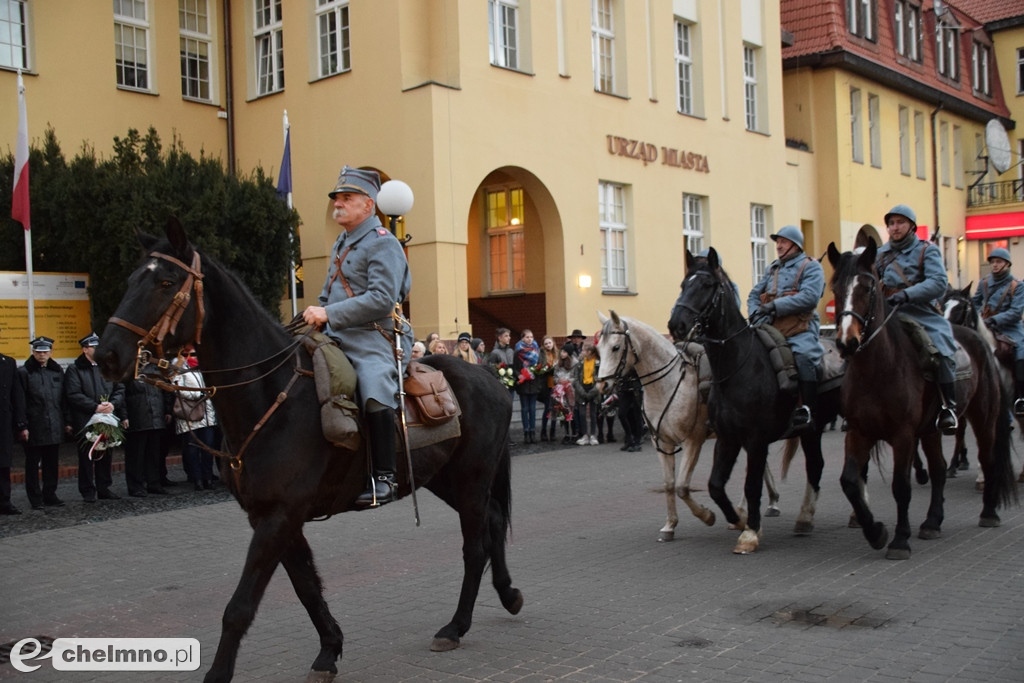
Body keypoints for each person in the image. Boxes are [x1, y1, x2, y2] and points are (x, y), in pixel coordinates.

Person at [302, 165, 413, 507]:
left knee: (373, 383)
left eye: (347, 198)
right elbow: (328, 294)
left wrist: (330, 314)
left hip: (374, 336)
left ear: (368, 205)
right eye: (337, 197)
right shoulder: (342, 242)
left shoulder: (383, 244)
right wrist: (317, 314)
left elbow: (382, 299)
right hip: (337, 331)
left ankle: (385, 477)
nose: (339, 203)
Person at [875, 204, 959, 433]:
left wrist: (907, 294)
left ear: (911, 226)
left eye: (900, 222)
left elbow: (938, 282)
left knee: (940, 351)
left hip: (922, 313)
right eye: (891, 223)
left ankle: (947, 407)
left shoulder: (926, 250)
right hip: (889, 313)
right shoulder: (881, 255)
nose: (895, 227)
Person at [748, 225, 825, 433]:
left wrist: (775, 306)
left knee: (804, 357)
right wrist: (755, 312)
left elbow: (810, 297)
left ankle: (807, 409)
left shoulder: (811, 267)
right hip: (770, 327)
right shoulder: (773, 268)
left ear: (796, 245)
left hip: (800, 330)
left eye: (783, 241)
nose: (779, 246)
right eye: (778, 242)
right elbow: (754, 294)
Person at [63, 332, 126, 502]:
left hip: (107, 417)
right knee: (87, 456)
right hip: (86, 420)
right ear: (85, 349)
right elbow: (73, 394)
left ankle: (104, 487)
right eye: (93, 347)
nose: (98, 349)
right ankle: (87, 491)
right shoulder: (75, 369)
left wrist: (112, 404)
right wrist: (95, 407)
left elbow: (119, 388)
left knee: (106, 453)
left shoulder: (107, 366)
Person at [972, 247, 1024, 415]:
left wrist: (994, 319)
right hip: (986, 325)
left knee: (1021, 354)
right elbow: (975, 302)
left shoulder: (1018, 285)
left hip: (1010, 328)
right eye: (993, 262)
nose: (995, 265)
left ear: (1007, 264)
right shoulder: (984, 282)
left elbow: (1016, 312)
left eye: (999, 262)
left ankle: (1021, 397)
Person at [17, 336, 66, 509]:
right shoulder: (24, 372)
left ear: (51, 352)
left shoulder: (57, 370)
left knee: (52, 463)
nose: (42, 355)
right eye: (38, 352)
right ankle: (35, 499)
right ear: (33, 352)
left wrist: (66, 422)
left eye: (45, 351)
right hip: (34, 425)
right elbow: (20, 401)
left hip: (54, 424)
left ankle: (50, 494)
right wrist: (22, 425)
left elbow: (63, 399)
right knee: (32, 465)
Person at [173, 349, 219, 491]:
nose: (192, 357)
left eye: (194, 354)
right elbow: (177, 388)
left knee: (208, 447)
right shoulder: (178, 367)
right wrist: (197, 394)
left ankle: (208, 478)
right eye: (188, 354)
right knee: (192, 449)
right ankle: (197, 479)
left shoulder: (204, 366)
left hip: (207, 414)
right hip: (190, 413)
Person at [124, 374, 173, 497]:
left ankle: (154, 483)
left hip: (156, 418)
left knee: (154, 454)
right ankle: (136, 486)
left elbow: (165, 391)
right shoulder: (129, 372)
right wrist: (124, 416)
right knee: (136, 456)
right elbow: (122, 395)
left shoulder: (155, 371)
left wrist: (167, 410)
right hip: (137, 418)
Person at [1, 328, 28, 515]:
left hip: (3, 423)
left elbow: (16, 395)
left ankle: (4, 501)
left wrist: (21, 423)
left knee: (3, 464)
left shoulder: (8, 363)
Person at [513, 329, 542, 443]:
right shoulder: (518, 351)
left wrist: (536, 372)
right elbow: (515, 367)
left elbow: (540, 366)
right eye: (527, 337)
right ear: (522, 338)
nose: (530, 339)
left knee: (533, 409)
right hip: (523, 384)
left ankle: (533, 432)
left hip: (534, 383)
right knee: (525, 409)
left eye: (531, 337)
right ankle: (526, 432)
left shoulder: (536, 351)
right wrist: (519, 375)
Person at [572, 342, 602, 445]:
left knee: (593, 414)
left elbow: (600, 379)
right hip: (582, 389)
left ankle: (593, 435)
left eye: (584, 350)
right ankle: (584, 435)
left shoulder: (598, 363)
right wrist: (581, 391)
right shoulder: (580, 363)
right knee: (582, 413)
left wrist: (593, 391)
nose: (582, 352)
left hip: (593, 389)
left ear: (590, 352)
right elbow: (575, 379)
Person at [552, 343, 578, 444]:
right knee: (563, 413)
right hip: (560, 392)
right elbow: (554, 377)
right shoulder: (558, 364)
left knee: (572, 413)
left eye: (564, 352)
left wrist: (568, 381)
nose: (561, 354)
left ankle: (575, 433)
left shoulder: (575, 363)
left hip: (571, 391)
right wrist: (558, 381)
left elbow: (576, 377)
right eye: (561, 351)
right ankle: (567, 433)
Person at [537, 335, 559, 441]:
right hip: (546, 385)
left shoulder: (557, 354)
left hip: (556, 385)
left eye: (549, 343)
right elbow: (541, 368)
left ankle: (553, 431)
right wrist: (550, 369)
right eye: (546, 344)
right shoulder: (541, 355)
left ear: (553, 343)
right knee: (547, 409)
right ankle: (543, 431)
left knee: (555, 409)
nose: (548, 345)